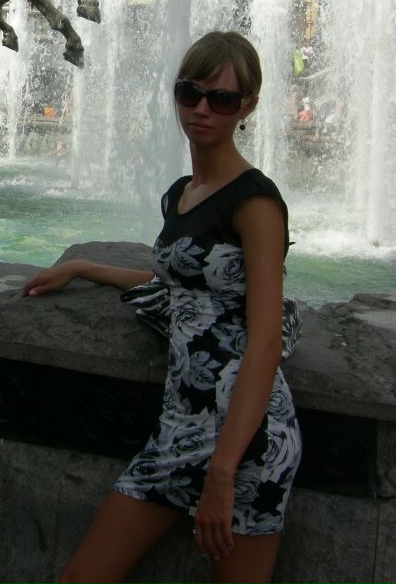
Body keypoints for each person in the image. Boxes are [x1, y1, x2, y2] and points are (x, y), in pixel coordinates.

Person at [23, 30, 302, 584]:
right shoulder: (180, 193)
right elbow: (178, 283)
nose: (202, 109)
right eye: (189, 93)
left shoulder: (256, 202)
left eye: (222, 99)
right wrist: (81, 267)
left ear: (247, 105)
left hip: (247, 438)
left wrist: (223, 471)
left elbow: (266, 338)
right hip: (179, 426)